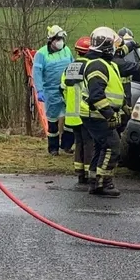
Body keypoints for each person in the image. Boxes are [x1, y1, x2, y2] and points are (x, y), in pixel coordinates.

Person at [80, 26, 126, 197]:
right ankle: (103, 183)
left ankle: (94, 181)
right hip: (97, 115)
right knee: (112, 147)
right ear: (106, 47)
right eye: (113, 44)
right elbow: (96, 95)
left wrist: (123, 107)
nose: (115, 48)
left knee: (100, 147)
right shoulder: (98, 65)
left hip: (96, 114)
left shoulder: (104, 64)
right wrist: (110, 114)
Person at [33, 25, 74, 156]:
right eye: (58, 38)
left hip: (67, 91)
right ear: (51, 40)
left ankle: (67, 145)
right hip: (51, 92)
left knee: (70, 120)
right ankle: (53, 148)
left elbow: (73, 66)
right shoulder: (41, 54)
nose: (60, 41)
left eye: (62, 38)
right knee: (53, 122)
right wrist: (39, 90)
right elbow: (37, 73)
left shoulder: (67, 50)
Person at [61, 36, 93, 186]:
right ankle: (88, 173)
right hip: (85, 113)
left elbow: (62, 89)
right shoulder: (91, 68)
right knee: (89, 143)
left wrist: (69, 105)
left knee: (79, 143)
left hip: (72, 114)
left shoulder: (69, 68)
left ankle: (79, 173)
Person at [113, 36, 140, 134]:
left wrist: (132, 44)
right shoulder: (120, 63)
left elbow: (122, 51)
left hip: (120, 98)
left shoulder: (113, 57)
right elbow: (137, 67)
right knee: (121, 125)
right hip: (121, 99)